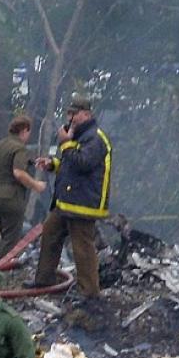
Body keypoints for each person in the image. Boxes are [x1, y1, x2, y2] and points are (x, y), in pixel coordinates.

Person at [34, 96, 113, 298]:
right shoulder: (77, 136)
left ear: (87, 114)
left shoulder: (95, 138)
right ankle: (44, 280)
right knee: (50, 233)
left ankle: (89, 293)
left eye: (74, 113)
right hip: (66, 202)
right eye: (68, 113)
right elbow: (70, 166)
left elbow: (84, 164)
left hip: (84, 204)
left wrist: (66, 144)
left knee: (82, 248)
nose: (70, 118)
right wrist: (52, 164)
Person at [0, 116, 47, 258]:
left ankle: (0, 272)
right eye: (29, 132)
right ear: (24, 131)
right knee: (11, 242)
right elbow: (18, 173)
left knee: (6, 239)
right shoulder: (19, 148)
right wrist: (36, 185)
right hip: (10, 199)